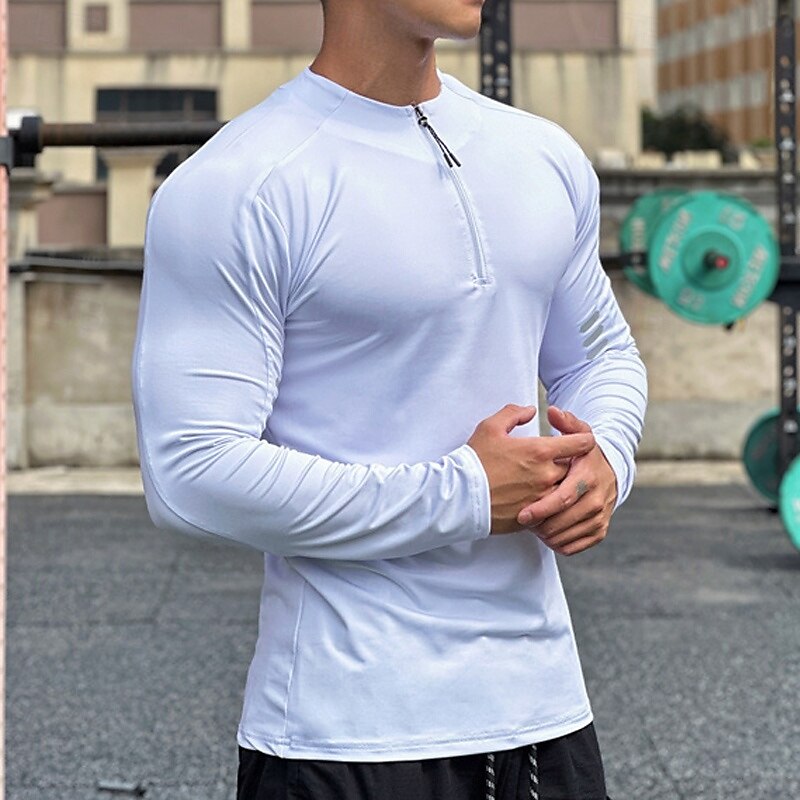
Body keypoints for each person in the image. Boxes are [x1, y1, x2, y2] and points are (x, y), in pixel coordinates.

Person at [131, 0, 648, 797]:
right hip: (344, 730)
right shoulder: (239, 183)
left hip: (546, 714)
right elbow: (190, 474)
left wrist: (606, 457)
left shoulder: (540, 154)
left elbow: (599, 355)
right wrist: (462, 493)